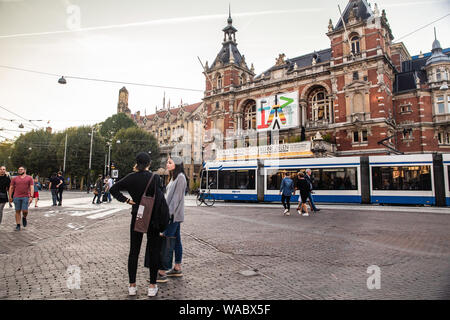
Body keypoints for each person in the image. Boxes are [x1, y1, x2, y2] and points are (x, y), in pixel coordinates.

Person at [110, 152, 166, 297]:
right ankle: (152, 286)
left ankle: (132, 286)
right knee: (154, 251)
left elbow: (113, 189)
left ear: (137, 163)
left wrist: (127, 201)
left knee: (134, 252)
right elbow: (161, 198)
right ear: (149, 163)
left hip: (137, 216)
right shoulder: (155, 178)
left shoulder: (131, 178)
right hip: (153, 218)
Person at [157, 156, 187, 282]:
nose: (167, 164)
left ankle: (162, 272)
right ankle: (177, 267)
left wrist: (167, 215)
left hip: (173, 216)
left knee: (166, 242)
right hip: (173, 215)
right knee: (176, 240)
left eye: (170, 162)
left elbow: (176, 200)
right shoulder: (173, 177)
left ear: (177, 164)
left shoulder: (180, 177)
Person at [9, 166, 34, 231]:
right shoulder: (14, 179)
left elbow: (32, 187)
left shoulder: (29, 178)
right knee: (17, 211)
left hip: (26, 197)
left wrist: (31, 196)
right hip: (16, 197)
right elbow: (11, 187)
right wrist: (10, 197)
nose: (20, 170)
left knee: (25, 211)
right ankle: (18, 225)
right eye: (19, 169)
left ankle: (24, 217)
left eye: (21, 169)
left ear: (25, 170)